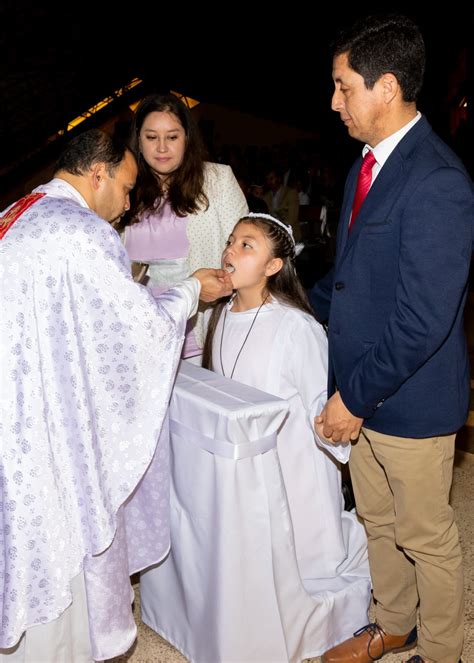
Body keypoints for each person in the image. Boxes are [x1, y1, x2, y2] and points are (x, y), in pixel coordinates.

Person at [0, 129, 232, 662]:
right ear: (98, 174)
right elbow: (137, 331)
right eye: (126, 189)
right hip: (44, 419)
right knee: (63, 520)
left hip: (18, 398)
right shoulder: (82, 230)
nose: (128, 204)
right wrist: (194, 289)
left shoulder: (18, 210)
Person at [308, 14, 474, 663]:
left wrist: (354, 397)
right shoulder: (366, 166)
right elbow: (350, 282)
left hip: (407, 397)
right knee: (377, 522)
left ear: (386, 87)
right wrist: (290, 305)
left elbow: (423, 318)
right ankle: (394, 623)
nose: (334, 102)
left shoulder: (438, 180)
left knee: (427, 534)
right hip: (361, 385)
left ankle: (441, 651)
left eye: (343, 87)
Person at [202, 212, 370, 651]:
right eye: (231, 241)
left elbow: (320, 404)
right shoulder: (220, 314)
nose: (230, 252)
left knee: (296, 554)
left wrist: (333, 443)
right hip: (244, 461)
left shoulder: (296, 327)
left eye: (246, 245)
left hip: (293, 459)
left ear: (274, 266)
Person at [122, 93, 248, 361]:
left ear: (187, 138)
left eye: (172, 136)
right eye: (152, 137)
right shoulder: (124, 190)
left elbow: (246, 255)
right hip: (138, 337)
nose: (162, 148)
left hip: (200, 332)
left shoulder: (217, 181)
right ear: (138, 140)